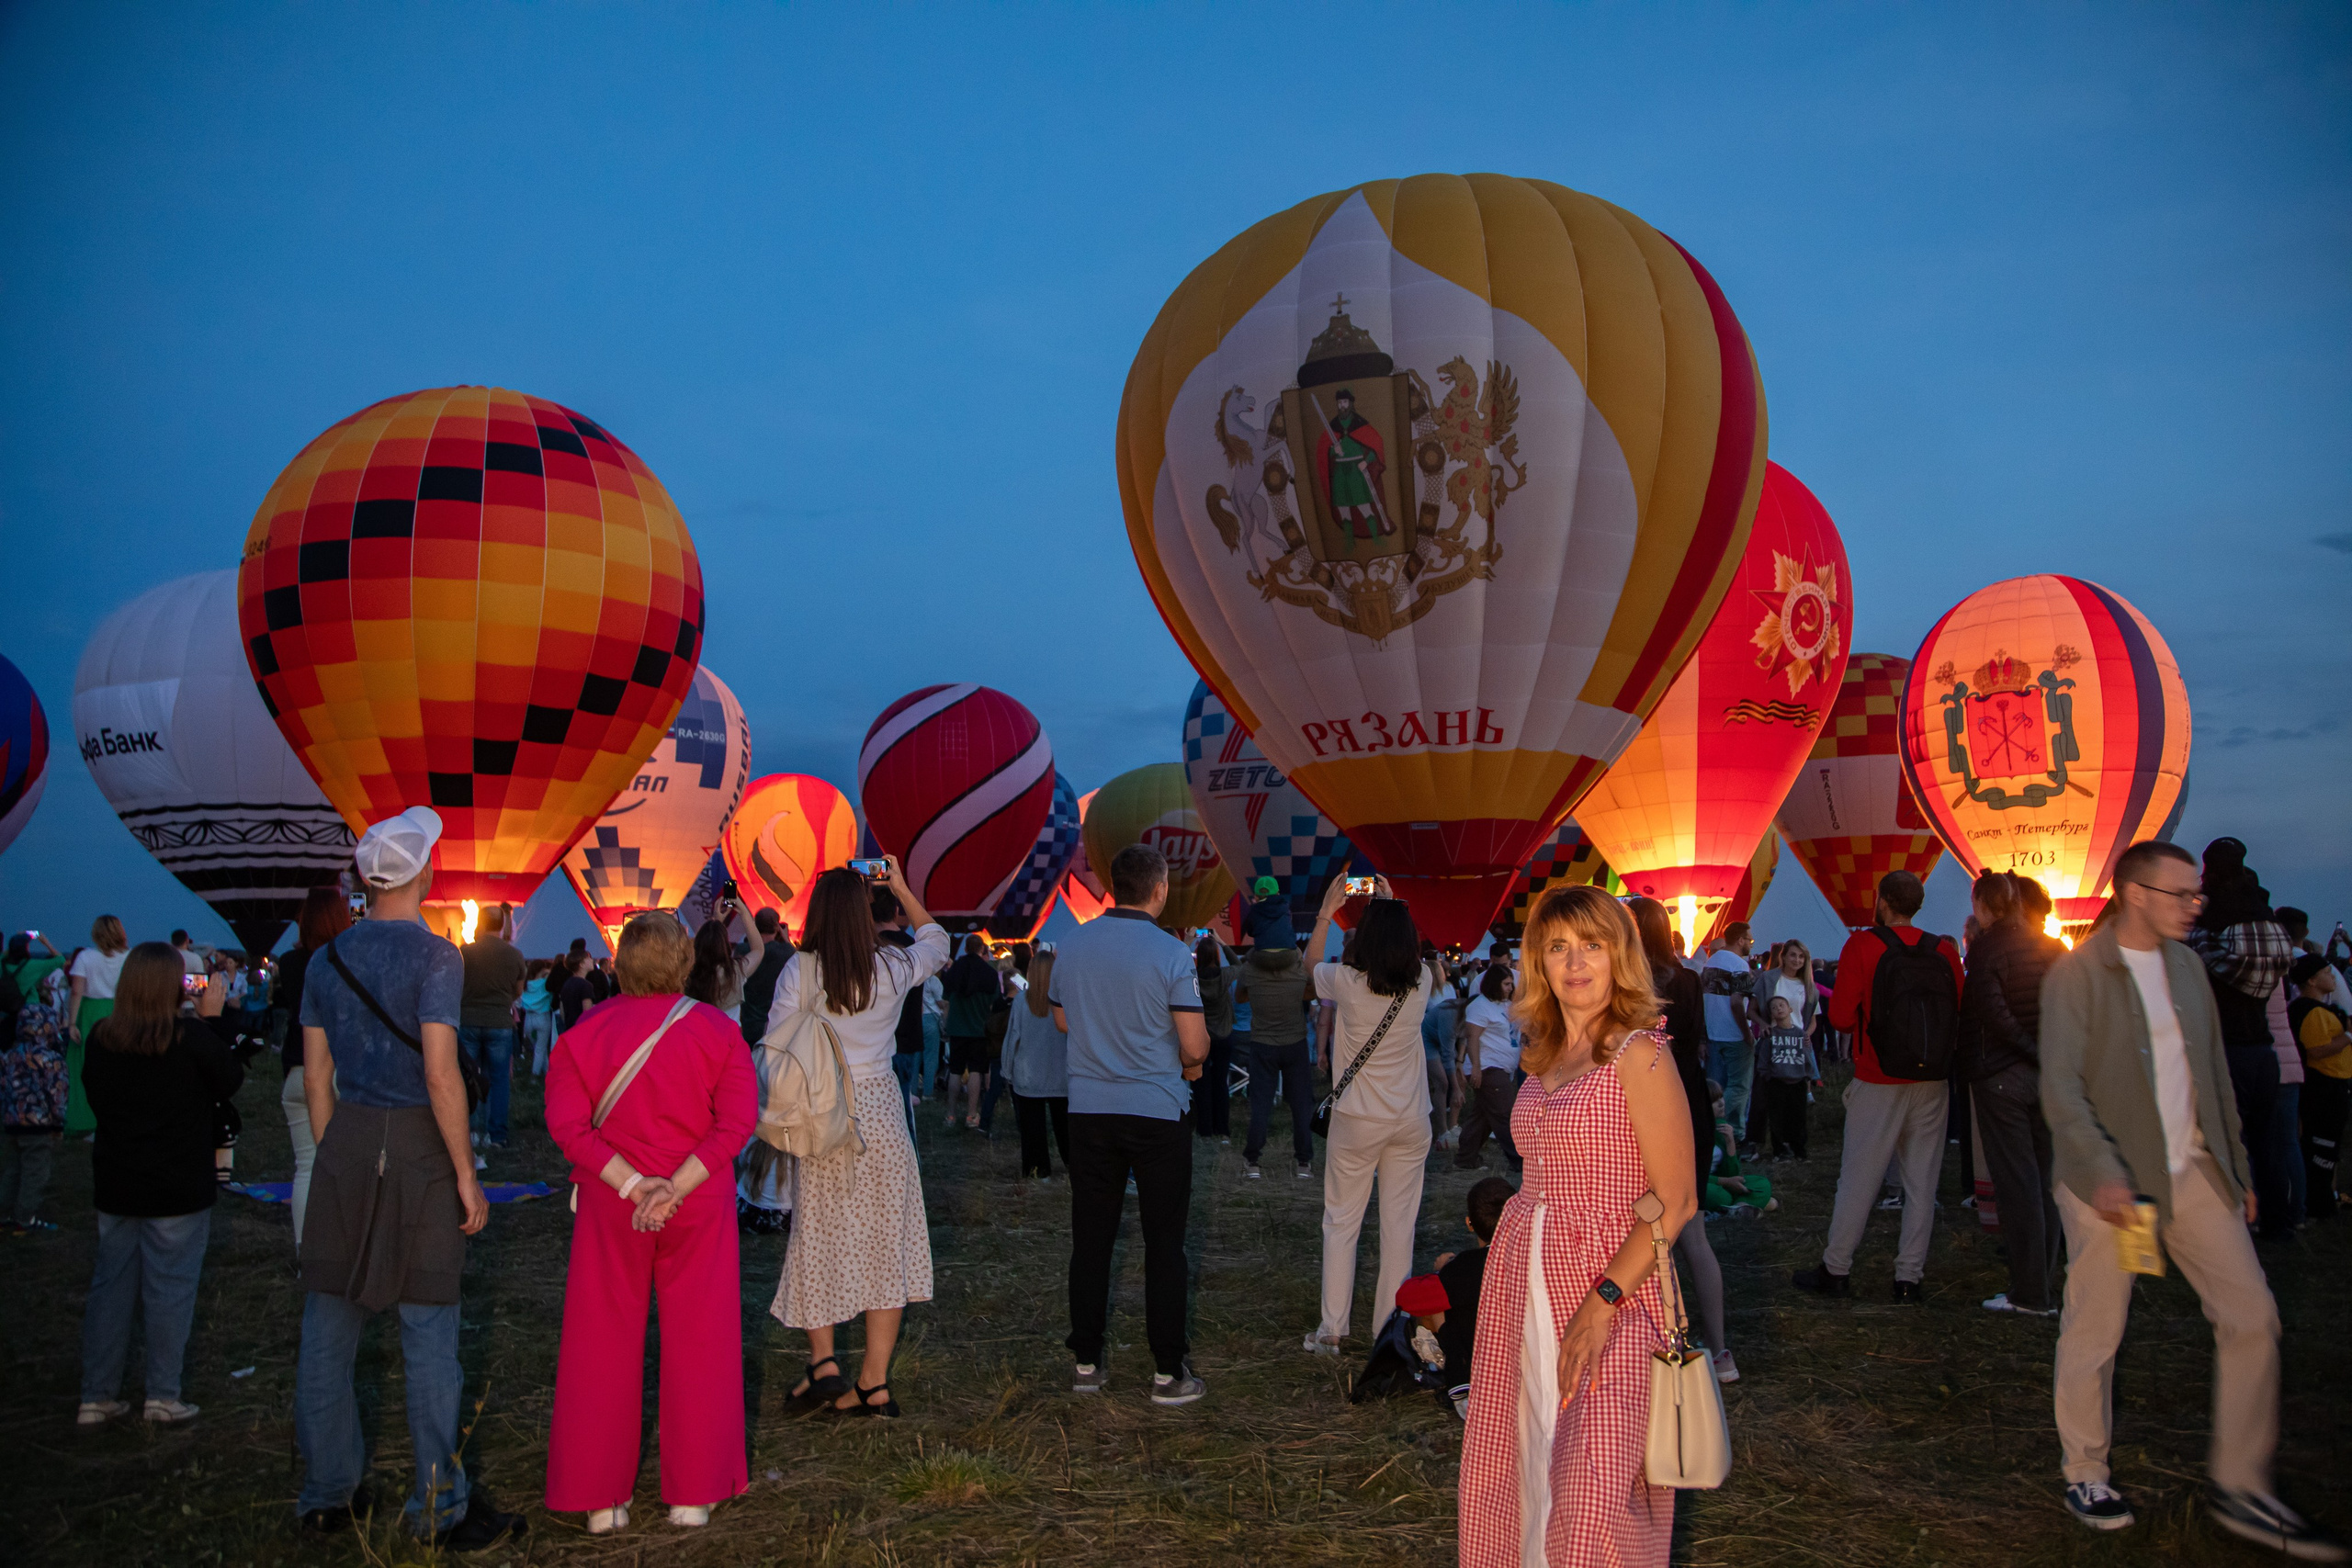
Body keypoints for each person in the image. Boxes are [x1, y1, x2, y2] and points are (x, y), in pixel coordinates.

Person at [2040, 841, 2344, 1557]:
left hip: (2192, 1172)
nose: (2195, 906)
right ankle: (2085, 1468)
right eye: (2181, 894)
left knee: (2253, 1315)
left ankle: (2241, 1480)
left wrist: (2235, 1172)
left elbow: (2209, 1074)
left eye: (2197, 894)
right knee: (2098, 1327)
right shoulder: (2080, 975)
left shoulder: (2186, 967)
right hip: (2113, 1185)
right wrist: (2101, 1170)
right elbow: (2061, 1089)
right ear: (2135, 894)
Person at [292, 807, 520, 1549]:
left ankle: (328, 1491)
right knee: (428, 1328)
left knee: (328, 1326)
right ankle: (437, 1504)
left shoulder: (325, 961)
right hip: (420, 1143)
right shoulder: (436, 958)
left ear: (365, 877)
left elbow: (317, 1078)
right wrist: (466, 1173)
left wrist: (341, 1156)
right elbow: (440, 1073)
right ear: (424, 874)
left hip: (347, 1137)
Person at [1458, 885, 1696, 1566]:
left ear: (1619, 953)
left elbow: (1675, 1199)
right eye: (1558, 947)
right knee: (1527, 1457)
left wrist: (1604, 1300)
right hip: (1526, 1279)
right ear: (1538, 961)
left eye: (1592, 943)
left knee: (1593, 1485)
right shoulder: (1544, 1056)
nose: (1575, 962)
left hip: (1612, 1281)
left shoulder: (1640, 1053)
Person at [545, 910, 757, 1533]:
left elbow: (567, 1125)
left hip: (614, 1203)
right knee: (703, 1337)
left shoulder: (583, 1032)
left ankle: (599, 1497)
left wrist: (635, 1184)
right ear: (685, 962)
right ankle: (694, 1491)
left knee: (599, 1340)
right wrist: (676, 1184)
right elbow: (737, 1121)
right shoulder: (718, 1032)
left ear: (621, 963)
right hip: (698, 1201)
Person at [767, 858, 949, 1417]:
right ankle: (874, 1382)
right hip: (881, 1114)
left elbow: (775, 1042)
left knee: (817, 1234)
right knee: (883, 1243)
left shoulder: (801, 972)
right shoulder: (892, 968)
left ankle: (824, 1363)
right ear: (868, 913)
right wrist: (899, 885)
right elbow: (939, 942)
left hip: (823, 1112)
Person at [1049, 842, 1210, 1404]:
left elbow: (1063, 1019)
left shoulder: (1073, 945)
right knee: (1165, 1242)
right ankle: (1168, 1371)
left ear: (1114, 885)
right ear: (1161, 889)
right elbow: (1193, 1042)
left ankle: (1087, 1363)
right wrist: (1192, 1063)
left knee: (1091, 1240)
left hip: (1089, 1111)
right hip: (1156, 1110)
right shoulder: (1170, 954)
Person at [74, 942, 242, 1427]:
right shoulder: (189, 1038)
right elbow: (230, 1079)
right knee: (170, 1290)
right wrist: (212, 1020)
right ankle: (163, 1395)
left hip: (117, 1182)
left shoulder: (104, 1038)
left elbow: (96, 1096)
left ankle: (96, 1395)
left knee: (111, 1288)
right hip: (177, 1187)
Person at [1792, 871, 1965, 1303]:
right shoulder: (1944, 950)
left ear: (1883, 901)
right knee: (1922, 1184)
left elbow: (1842, 1018)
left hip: (1878, 1079)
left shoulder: (1864, 946)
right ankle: (1909, 1278)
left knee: (1858, 1180)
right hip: (1932, 1081)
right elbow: (1959, 1012)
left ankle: (1837, 1268)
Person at [1304, 875, 1431, 1355]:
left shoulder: (1347, 984)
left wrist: (1325, 911)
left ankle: (1333, 1330)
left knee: (1342, 1221)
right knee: (1400, 1227)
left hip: (1357, 1119)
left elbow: (1309, 966)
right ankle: (1388, 1332)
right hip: (1411, 1119)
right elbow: (1407, 952)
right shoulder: (1423, 983)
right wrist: (1391, 903)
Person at [1626, 895, 1736, 1382]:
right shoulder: (1690, 980)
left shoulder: (1625, 983)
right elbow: (1698, 1043)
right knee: (1691, 1231)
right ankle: (1720, 1349)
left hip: (1639, 1107)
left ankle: (1652, 1346)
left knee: (1641, 1234)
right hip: (1688, 1100)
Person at [1957, 871, 2066, 1315]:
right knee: (2044, 1179)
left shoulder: (1987, 948)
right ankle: (2041, 1279)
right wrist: (2049, 1054)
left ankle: (2029, 1293)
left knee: (2017, 1183)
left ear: (1985, 904)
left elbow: (1993, 1012)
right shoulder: (2053, 947)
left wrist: (2025, 1048)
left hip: (2002, 1075)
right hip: (2047, 1074)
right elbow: (2065, 1009)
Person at [2187, 838, 2299, 1239]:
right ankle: (2278, 1220)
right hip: (2263, 1049)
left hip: (2227, 1046)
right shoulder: (2268, 923)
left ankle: (2233, 1218)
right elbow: (2276, 967)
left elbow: (2204, 962)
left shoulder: (2210, 927)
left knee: (2225, 1138)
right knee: (2265, 1139)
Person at [273, 888, 351, 1249]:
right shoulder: (346, 959)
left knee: (306, 1166)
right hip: (338, 1070)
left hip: (296, 1068)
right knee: (349, 1163)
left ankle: (309, 1255)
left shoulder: (290, 964)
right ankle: (346, 1248)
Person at [1427, 1176, 1513, 1418]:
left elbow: (1414, 1297)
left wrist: (1439, 1272)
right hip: (1523, 1378)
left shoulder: (1459, 1268)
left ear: (1469, 1223)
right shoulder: (1533, 1261)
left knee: (1436, 1304)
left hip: (1472, 1381)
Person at [1236, 936, 1314, 1179]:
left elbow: (1239, 997)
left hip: (1263, 1043)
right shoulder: (1297, 966)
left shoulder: (1250, 967)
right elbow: (1310, 994)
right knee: (1301, 1106)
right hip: (1295, 1043)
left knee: (1260, 1105)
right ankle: (1303, 1164)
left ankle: (1253, 1163)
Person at [3, 966, 72, 1233]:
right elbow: (57, 1094)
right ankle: (25, 1217)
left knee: (13, 1168)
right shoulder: (51, 1059)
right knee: (35, 1171)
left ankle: (5, 1211)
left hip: (13, 1121)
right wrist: (58, 1124)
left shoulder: (11, 1054)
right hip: (39, 1123)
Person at [458, 903, 525, 1156]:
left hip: (469, 1020)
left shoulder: (465, 952)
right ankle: (497, 1135)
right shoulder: (514, 955)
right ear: (501, 926)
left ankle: (472, 1133)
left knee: (469, 1078)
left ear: (479, 923)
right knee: (498, 1081)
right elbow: (518, 991)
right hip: (499, 1023)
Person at [1001, 944, 1071, 1179]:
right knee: (1065, 1129)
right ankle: (1075, 1167)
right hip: (1061, 1073)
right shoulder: (1066, 1002)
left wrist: (1006, 1070)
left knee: (1032, 1129)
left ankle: (1038, 1171)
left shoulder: (1021, 1002)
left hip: (1028, 1074)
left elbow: (1013, 1038)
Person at [2289, 954, 2350, 1220]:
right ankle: (2319, 1204)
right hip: (2324, 1087)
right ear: (2312, 980)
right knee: (2321, 1146)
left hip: (2331, 1086)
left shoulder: (2318, 1009)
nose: (2333, 976)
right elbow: (2318, 1050)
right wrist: (2348, 1036)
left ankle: (2323, 1199)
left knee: (2326, 1145)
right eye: (2327, 972)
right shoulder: (2311, 1010)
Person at [65, 915, 131, 1137]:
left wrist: (72, 1022)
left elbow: (77, 991)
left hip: (91, 1013)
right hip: (120, 1012)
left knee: (88, 1068)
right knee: (120, 1068)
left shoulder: (85, 957)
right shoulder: (129, 957)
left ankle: (88, 1120)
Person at [1453, 964, 1522, 1172]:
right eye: (1506, 984)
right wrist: (1475, 1067)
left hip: (1502, 1067)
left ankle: (1465, 1159)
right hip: (1488, 1068)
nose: (1511, 987)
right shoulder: (1480, 1006)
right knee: (1506, 1115)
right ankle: (1520, 1162)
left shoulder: (1505, 1005)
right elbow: (1472, 1037)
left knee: (1482, 1118)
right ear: (1495, 984)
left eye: (1511, 983)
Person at [1700, 922, 1758, 1152]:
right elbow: (1736, 1002)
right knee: (1740, 1086)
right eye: (1750, 940)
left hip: (1714, 1032)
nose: (1751, 945)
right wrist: (1746, 1033)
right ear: (1741, 940)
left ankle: (1720, 1131)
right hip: (1734, 1035)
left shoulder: (1710, 963)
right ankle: (1731, 1132)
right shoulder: (1740, 966)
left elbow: (1705, 1001)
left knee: (1717, 1085)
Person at [940, 933, 999, 1131]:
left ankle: (950, 1114)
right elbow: (994, 1004)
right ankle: (971, 1114)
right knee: (976, 1071)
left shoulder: (955, 970)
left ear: (965, 948)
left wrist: (946, 1023)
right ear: (983, 949)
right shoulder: (989, 973)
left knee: (955, 1070)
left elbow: (945, 1000)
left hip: (957, 1029)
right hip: (979, 1030)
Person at [1758, 993, 1823, 1161]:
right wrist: (1767, 1075)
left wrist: (1808, 1076)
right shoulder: (1770, 1035)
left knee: (1798, 1117)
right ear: (1771, 1014)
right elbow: (1764, 1059)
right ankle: (1779, 1151)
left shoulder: (1801, 1035)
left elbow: (1808, 1057)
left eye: (1781, 1005)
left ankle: (1799, 1150)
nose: (1778, 1009)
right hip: (1777, 1081)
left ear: (1790, 1009)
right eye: (1774, 1007)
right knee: (1777, 1118)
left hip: (1798, 1081)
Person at [684, 899, 765, 1023]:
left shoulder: (687, 973)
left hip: (697, 1036)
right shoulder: (735, 971)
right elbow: (758, 950)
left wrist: (715, 922)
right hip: (728, 1039)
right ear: (725, 945)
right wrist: (744, 912)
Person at [1192, 935, 1236, 1141]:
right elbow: (1239, 964)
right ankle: (1223, 1128)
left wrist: (1187, 942)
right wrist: (1223, 943)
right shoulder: (1225, 976)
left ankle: (1204, 1128)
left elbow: (1174, 967)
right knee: (1221, 1082)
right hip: (1224, 1036)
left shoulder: (1193, 978)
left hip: (1201, 1037)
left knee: (1202, 1083)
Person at [1421, 943, 1461, 1148]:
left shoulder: (1447, 990)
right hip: (1427, 1039)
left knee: (1453, 1079)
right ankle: (1442, 1130)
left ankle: (1450, 1127)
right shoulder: (1421, 992)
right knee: (1442, 1082)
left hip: (1446, 1038)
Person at [737, 908, 788, 1048]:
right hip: (772, 1026)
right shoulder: (786, 952)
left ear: (755, 925)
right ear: (777, 927)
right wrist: (787, 940)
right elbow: (797, 959)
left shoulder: (741, 951)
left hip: (745, 1023)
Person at [518, 958, 557, 1077]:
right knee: (540, 1048)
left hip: (528, 1019)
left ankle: (546, 1071)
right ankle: (534, 1076)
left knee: (539, 1047)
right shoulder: (545, 984)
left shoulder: (526, 984)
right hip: (542, 1017)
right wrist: (548, 972)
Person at [1240, 874, 1298, 953]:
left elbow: (1250, 932)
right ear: (1278, 893)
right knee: (1298, 953)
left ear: (1256, 897)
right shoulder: (1286, 908)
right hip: (1288, 954)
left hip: (1263, 955)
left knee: (1250, 954)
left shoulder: (1254, 910)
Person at [558, 951, 598, 1033]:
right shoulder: (586, 985)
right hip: (581, 1031)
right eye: (588, 958)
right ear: (581, 964)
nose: (591, 960)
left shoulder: (567, 984)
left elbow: (562, 1011)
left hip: (569, 1029)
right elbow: (587, 1012)